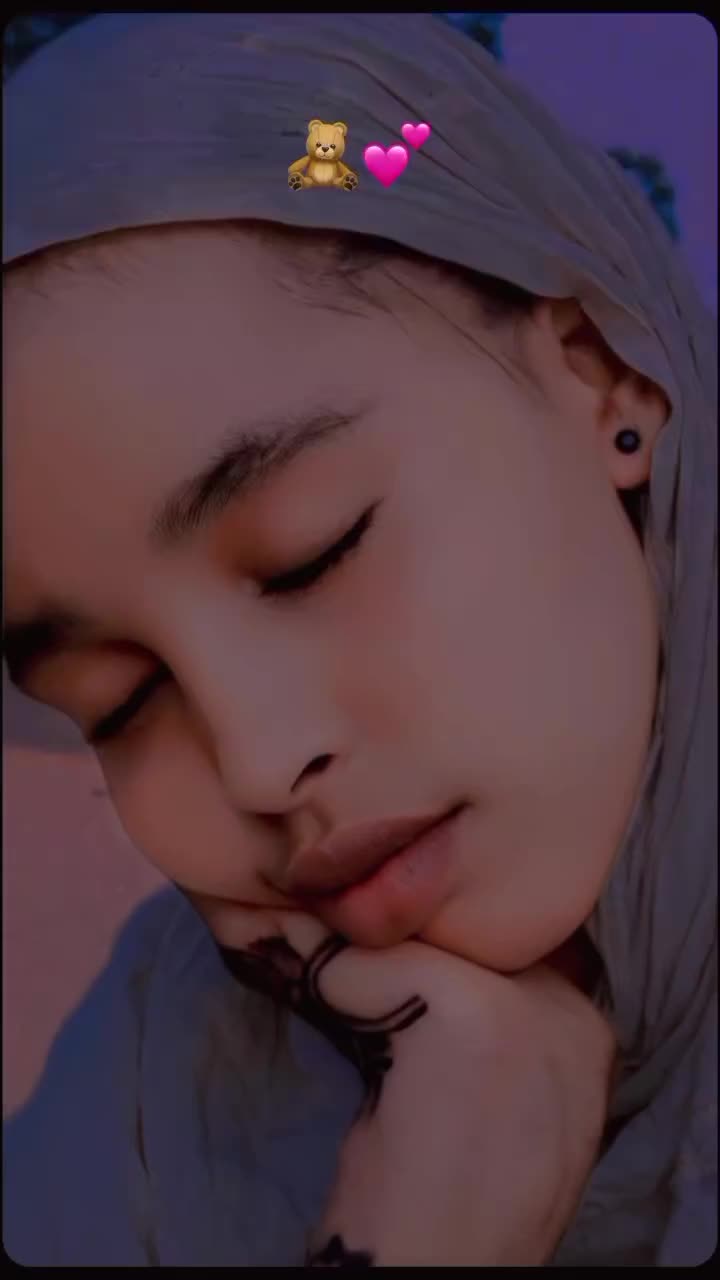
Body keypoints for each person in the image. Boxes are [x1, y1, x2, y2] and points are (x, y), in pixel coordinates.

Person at [2, 12, 716, 1267]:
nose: (258, 760)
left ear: (602, 373)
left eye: (313, 551)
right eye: (118, 701)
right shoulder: (143, 1087)